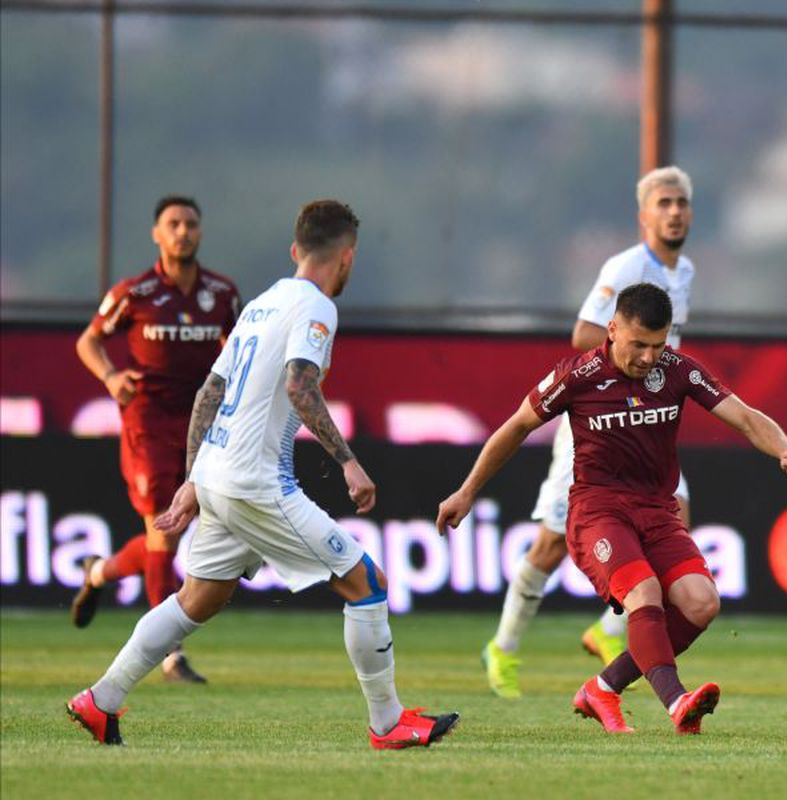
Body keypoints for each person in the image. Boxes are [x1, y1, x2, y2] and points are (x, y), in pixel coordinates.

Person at [66, 199, 459, 749]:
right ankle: (388, 722)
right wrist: (347, 461)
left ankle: (100, 700)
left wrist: (194, 478)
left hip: (218, 475)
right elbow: (300, 386)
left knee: (197, 599)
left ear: (296, 250)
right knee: (366, 583)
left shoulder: (260, 303)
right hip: (256, 481)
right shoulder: (316, 307)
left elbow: (210, 393)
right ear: (347, 257)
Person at [439, 283, 787, 734]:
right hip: (599, 512)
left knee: (701, 603)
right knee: (644, 593)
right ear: (612, 329)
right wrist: (467, 491)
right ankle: (676, 701)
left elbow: (746, 417)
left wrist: (785, 448)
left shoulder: (677, 370)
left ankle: (602, 688)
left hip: (657, 510)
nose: (649, 357)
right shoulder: (578, 376)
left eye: (658, 345)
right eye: (639, 344)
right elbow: (517, 426)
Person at [481, 165, 698, 699]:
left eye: (681, 203)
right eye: (664, 203)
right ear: (644, 215)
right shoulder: (626, 266)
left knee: (676, 516)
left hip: (646, 425)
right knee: (552, 543)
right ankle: (503, 647)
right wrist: (629, 365)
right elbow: (583, 333)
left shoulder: (686, 271)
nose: (674, 212)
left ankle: (609, 630)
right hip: (598, 423)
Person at [71, 195, 241, 684]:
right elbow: (88, 340)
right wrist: (110, 376)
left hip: (200, 424)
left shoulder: (222, 293)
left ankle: (99, 572)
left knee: (166, 535)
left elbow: (238, 348)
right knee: (163, 530)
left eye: (191, 223)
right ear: (157, 234)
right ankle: (171, 656)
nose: (183, 232)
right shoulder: (135, 292)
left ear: (200, 232)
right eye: (174, 224)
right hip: (147, 421)